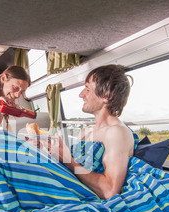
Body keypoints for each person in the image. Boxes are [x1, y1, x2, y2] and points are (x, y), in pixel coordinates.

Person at [50, 64, 134, 199]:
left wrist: (68, 160)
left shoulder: (117, 132)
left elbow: (109, 191)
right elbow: (74, 172)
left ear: (107, 95)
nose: (81, 94)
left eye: (87, 89)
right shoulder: (85, 131)